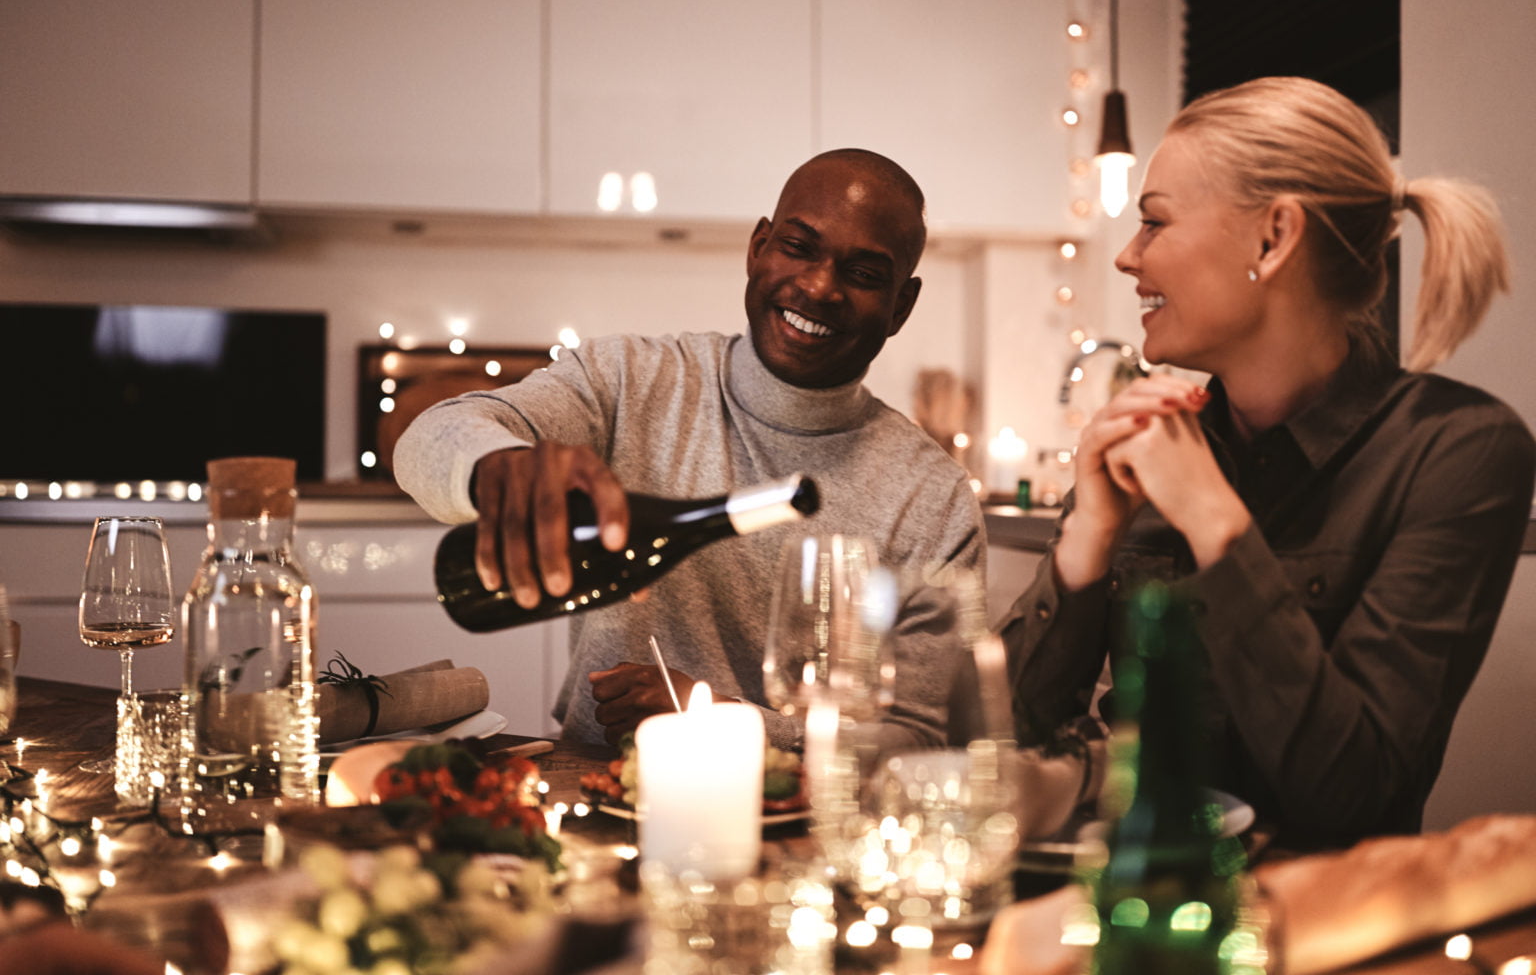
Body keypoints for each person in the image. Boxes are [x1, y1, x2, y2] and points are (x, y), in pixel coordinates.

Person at [998, 76, 1535, 851]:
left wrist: (1216, 523)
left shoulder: (1458, 451)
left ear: (1273, 238)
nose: (1126, 255)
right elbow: (999, 755)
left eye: (1154, 223)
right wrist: (1084, 546)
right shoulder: (1155, 444)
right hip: (1118, 909)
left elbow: (1351, 795)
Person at [395, 148, 985, 750]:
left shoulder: (933, 498)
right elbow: (432, 437)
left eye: (862, 275)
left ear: (901, 307)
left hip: (813, 827)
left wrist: (726, 718)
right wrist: (499, 466)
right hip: (594, 798)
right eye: (799, 247)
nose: (817, 286)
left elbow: (919, 739)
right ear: (757, 248)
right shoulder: (629, 379)